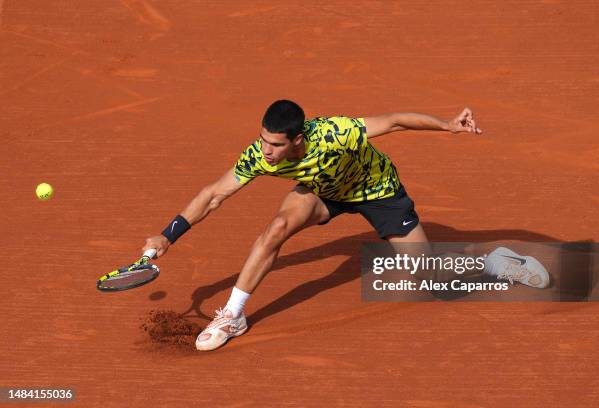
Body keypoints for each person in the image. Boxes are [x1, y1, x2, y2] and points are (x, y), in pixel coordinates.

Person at [143, 100, 549, 351]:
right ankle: (234, 315)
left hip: (376, 191)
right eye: (263, 140)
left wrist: (446, 124)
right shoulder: (259, 154)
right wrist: (168, 234)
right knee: (277, 227)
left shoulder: (336, 133)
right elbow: (213, 194)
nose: (266, 151)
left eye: (276, 145)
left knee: (435, 282)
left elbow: (393, 121)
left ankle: (496, 262)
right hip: (325, 192)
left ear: (298, 140)